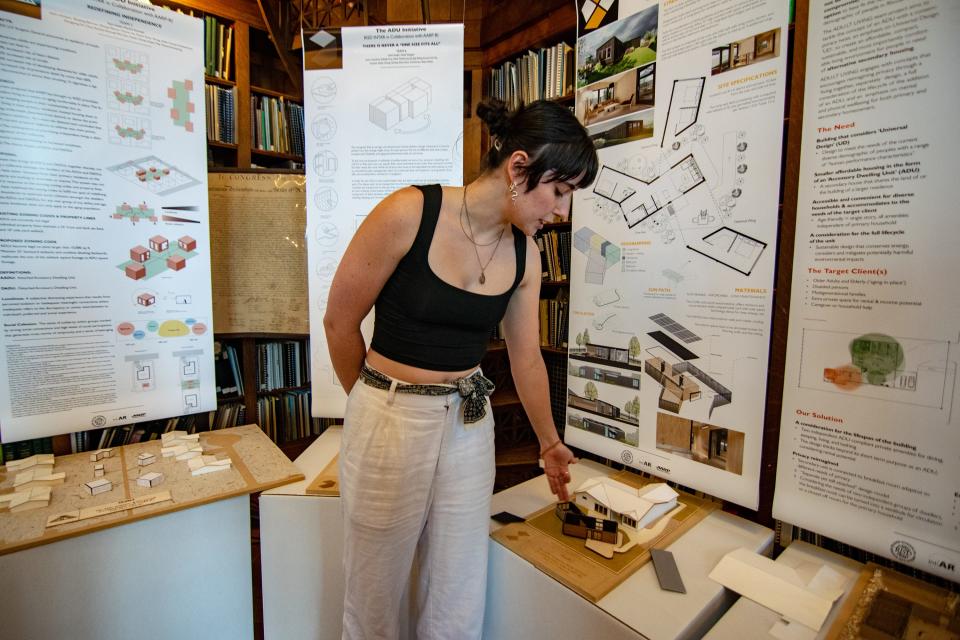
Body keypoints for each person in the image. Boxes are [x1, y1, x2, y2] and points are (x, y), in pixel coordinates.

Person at [323, 97, 599, 640]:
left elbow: (526, 357)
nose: (562, 211)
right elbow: (339, 322)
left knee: (459, 587)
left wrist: (549, 442)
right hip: (388, 417)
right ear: (519, 169)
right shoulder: (408, 212)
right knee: (374, 590)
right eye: (560, 192)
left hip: (469, 424)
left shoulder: (525, 253)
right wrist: (375, 402)